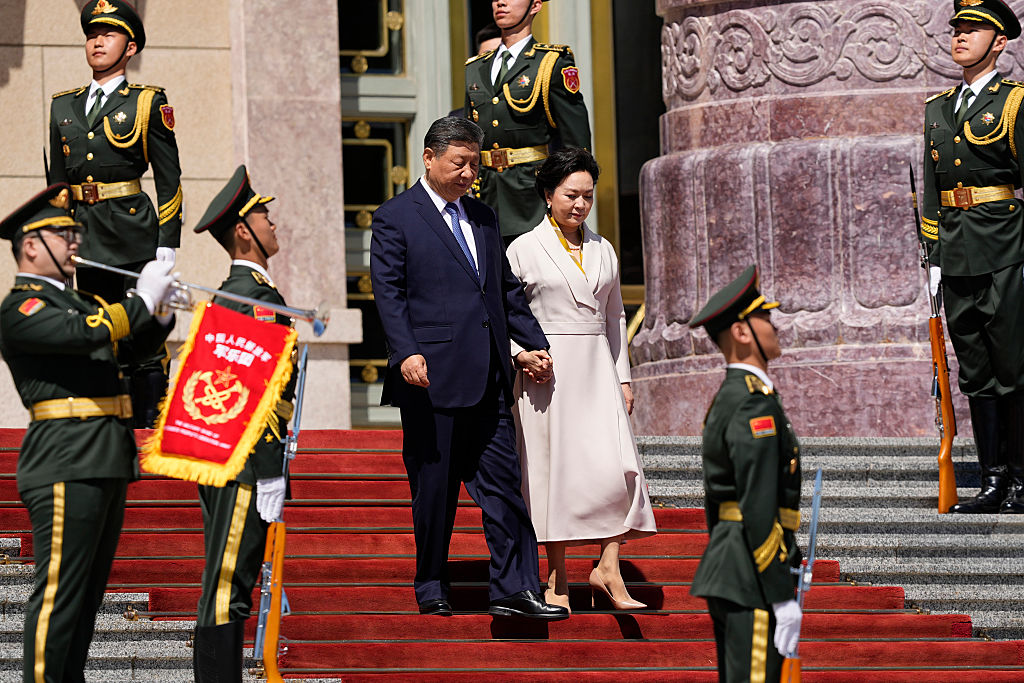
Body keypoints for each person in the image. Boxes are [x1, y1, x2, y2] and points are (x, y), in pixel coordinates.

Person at [370, 116, 568, 620]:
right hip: (430, 377)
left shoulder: (483, 216)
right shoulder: (396, 217)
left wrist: (531, 344)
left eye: (474, 165)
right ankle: (432, 583)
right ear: (429, 158)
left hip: (489, 377)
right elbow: (388, 293)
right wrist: (405, 351)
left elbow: (503, 289)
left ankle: (515, 590)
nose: (468, 174)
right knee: (434, 491)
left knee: (504, 487)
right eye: (459, 163)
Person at [0, 183, 175, 683]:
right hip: (65, 458)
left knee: (85, 600)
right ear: (30, 246)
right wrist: (141, 299)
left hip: (104, 456)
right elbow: (86, 334)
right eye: (63, 234)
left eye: (75, 232)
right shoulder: (22, 308)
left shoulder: (80, 301)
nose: (75, 241)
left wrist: (159, 312)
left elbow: (125, 346)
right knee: (59, 595)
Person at [506, 148, 657, 613]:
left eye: (588, 196)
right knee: (554, 472)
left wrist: (623, 378)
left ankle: (608, 566)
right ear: (548, 194)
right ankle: (556, 576)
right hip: (546, 373)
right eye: (571, 194)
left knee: (614, 466)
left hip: (598, 369)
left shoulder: (603, 248)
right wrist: (518, 355)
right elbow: (500, 314)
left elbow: (615, 317)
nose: (580, 205)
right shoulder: (522, 248)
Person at [48, 0, 183, 427]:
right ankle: (107, 429)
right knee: (97, 333)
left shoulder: (147, 102)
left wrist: (167, 243)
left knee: (142, 338)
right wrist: (56, 241)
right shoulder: (63, 106)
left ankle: (148, 426)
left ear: (131, 48)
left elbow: (169, 179)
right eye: (92, 35)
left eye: (108, 35)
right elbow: (57, 187)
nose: (98, 42)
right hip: (85, 238)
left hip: (132, 235)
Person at [189, 166, 297, 681]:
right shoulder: (255, 300)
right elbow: (261, 394)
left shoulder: (234, 294)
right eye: (263, 217)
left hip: (231, 461)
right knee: (228, 588)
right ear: (242, 231)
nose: (273, 224)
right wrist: (270, 469)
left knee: (227, 583)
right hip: (244, 465)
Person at [920, 0, 1024, 513]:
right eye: (957, 28)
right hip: (956, 251)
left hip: (1006, 247)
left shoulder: (1015, 102)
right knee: (975, 370)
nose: (960, 36)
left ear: (999, 42)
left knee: (1014, 366)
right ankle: (992, 480)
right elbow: (932, 189)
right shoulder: (937, 108)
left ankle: (1021, 480)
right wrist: (934, 255)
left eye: (973, 29)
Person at [687, 266, 803, 683]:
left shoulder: (736, 397)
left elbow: (719, 504)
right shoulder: (752, 403)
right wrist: (779, 594)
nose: (774, 326)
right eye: (764, 317)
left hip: (737, 567)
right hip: (751, 578)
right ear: (741, 332)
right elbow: (756, 503)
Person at [465, 0, 591, 245]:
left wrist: (573, 197)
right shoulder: (476, 67)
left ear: (535, 6)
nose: (500, 2)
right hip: (484, 196)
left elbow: (576, 141)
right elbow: (469, 137)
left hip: (531, 198)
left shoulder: (551, 62)